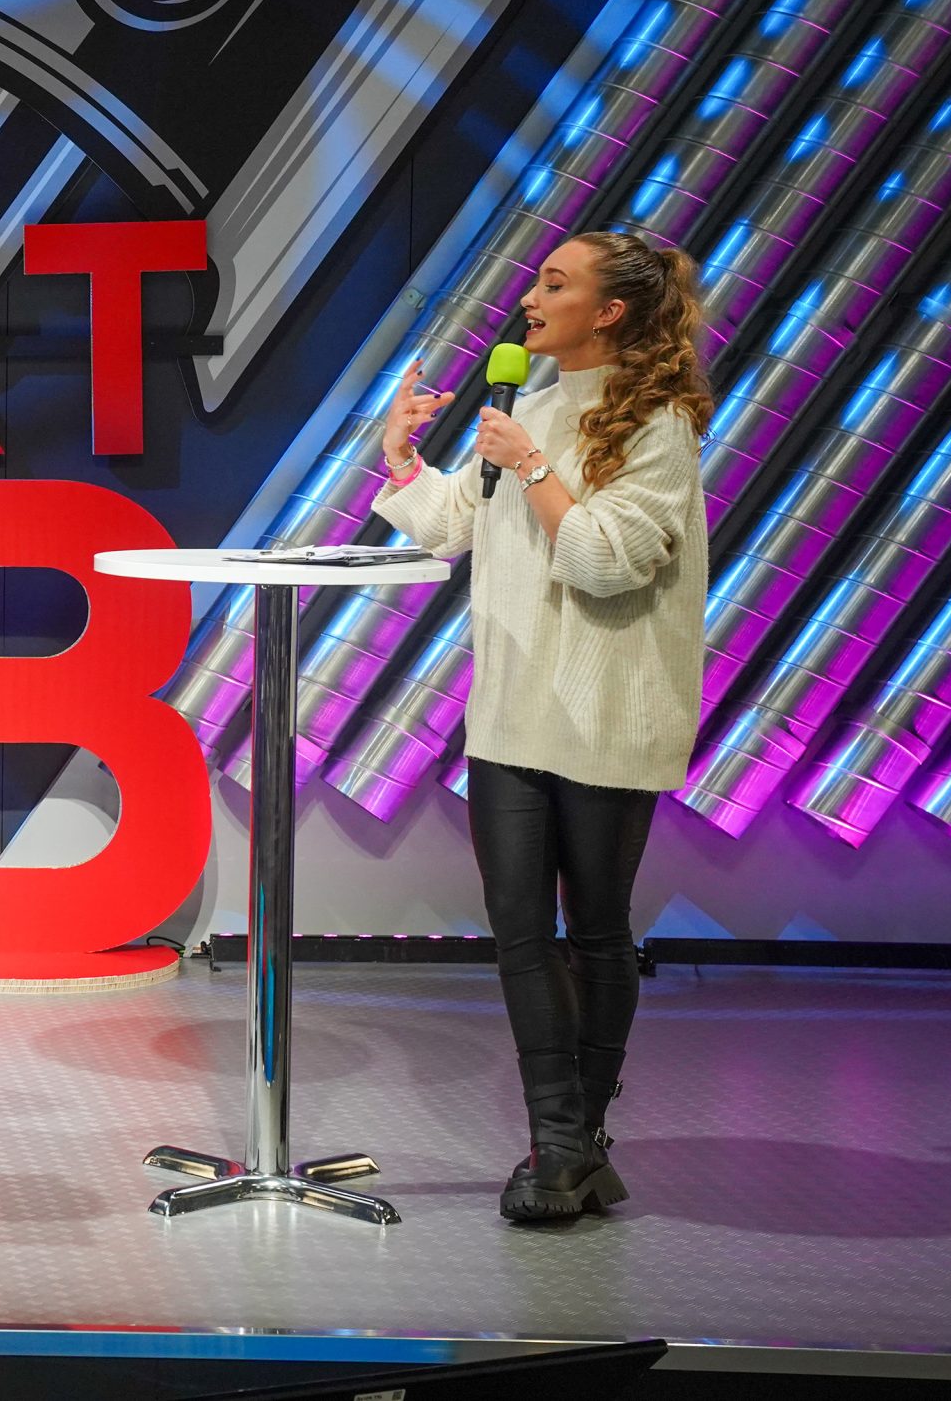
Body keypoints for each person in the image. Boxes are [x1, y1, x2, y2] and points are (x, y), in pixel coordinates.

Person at [372, 229, 712, 1223]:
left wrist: (529, 464)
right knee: (520, 931)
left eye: (555, 283)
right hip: (510, 713)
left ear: (608, 312)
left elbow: (603, 562)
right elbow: (455, 524)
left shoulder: (657, 423)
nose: (530, 297)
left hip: (605, 715)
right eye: (536, 280)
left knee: (596, 928)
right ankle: (556, 1146)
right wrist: (401, 458)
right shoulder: (528, 402)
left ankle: (582, 1139)